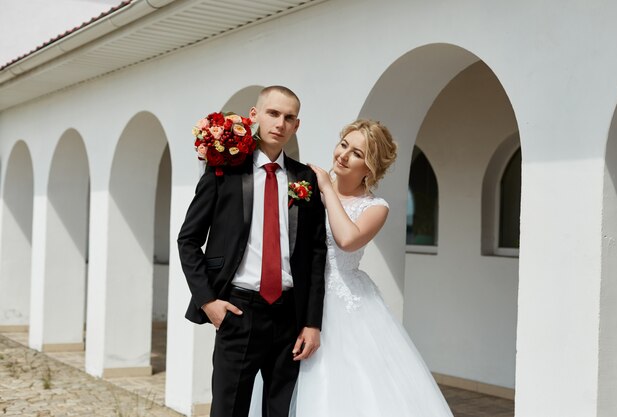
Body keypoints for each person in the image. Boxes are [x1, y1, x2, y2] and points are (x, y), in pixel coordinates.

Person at [178, 85, 327, 417]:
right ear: (255, 115)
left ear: (297, 125)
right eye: (273, 113)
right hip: (239, 310)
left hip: (290, 316)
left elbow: (317, 254)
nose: (280, 123)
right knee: (228, 411)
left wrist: (312, 322)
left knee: (281, 411)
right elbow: (188, 240)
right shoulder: (225, 171)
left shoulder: (305, 179)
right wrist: (209, 302)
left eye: (289, 117)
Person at [295, 119, 453, 416]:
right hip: (300, 296)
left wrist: (327, 190)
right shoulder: (303, 187)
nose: (343, 155)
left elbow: (347, 239)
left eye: (356, 153)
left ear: (370, 167)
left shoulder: (375, 207)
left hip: (346, 307)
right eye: (344, 145)